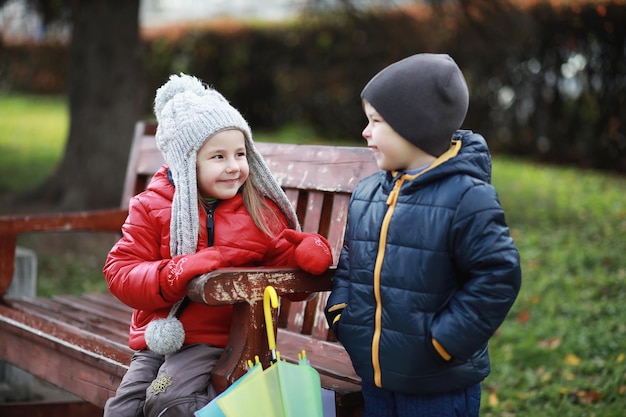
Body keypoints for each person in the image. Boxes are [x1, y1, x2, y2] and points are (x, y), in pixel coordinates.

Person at [103, 73, 333, 417]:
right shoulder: (151, 206)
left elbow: (284, 263)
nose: (233, 168)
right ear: (186, 163)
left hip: (221, 340)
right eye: (218, 157)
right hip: (157, 340)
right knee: (121, 409)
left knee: (167, 401)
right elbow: (120, 272)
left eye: (240, 154)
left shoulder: (257, 211)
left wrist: (308, 250)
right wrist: (174, 273)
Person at [324, 53, 522, 417]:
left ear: (414, 126)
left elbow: (498, 276)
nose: (365, 131)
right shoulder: (368, 193)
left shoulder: (467, 197)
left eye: (376, 121)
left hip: (438, 386)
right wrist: (341, 314)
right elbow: (351, 265)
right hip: (378, 380)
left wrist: (444, 342)